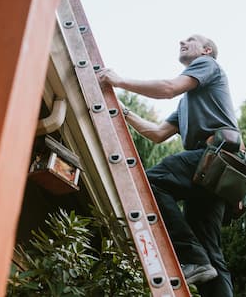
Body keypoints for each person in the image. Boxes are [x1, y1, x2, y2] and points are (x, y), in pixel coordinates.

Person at [98, 34, 236, 297]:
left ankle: (191, 255)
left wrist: (119, 81)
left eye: (190, 40)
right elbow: (156, 132)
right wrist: (120, 109)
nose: (182, 42)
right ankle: (199, 261)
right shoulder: (187, 103)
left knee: (148, 182)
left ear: (206, 50)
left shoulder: (208, 64)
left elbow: (167, 88)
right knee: (211, 258)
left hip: (215, 157)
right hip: (211, 172)